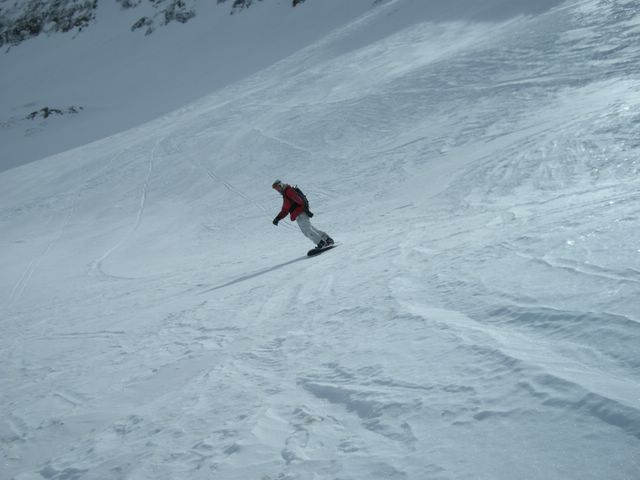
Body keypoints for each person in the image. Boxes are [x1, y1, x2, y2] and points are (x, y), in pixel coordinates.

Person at [271, 179, 334, 249]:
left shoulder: (288, 191)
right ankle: (327, 239)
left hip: (300, 213)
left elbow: (299, 200)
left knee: (306, 230)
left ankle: (321, 243)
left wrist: (304, 210)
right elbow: (285, 210)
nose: (278, 190)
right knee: (309, 229)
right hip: (298, 214)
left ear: (281, 185)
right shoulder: (286, 195)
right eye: (276, 189)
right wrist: (278, 218)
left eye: (278, 188)